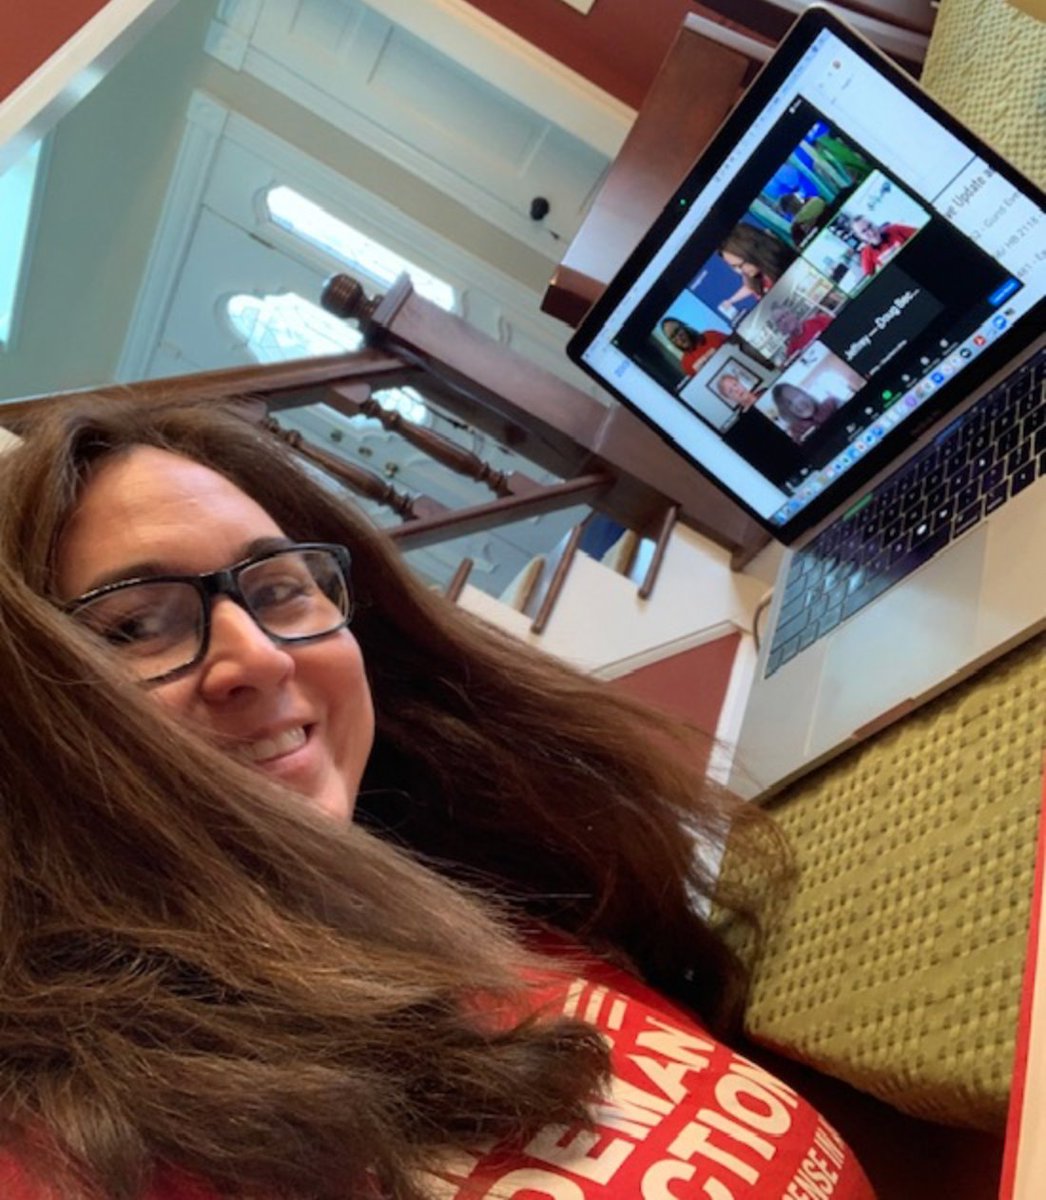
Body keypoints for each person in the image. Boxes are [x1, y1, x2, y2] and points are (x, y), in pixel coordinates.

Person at [0, 397, 877, 1200]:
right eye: (135, 626)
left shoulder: (493, 877)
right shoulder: (83, 1149)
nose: (261, 657)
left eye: (276, 589)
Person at [716, 224, 794, 316]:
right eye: (733, 267)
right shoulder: (755, 279)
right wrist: (730, 301)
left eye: (740, 266)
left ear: (752, 252)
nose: (739, 272)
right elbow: (749, 287)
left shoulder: (788, 267)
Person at [845, 214, 917, 276]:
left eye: (870, 226)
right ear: (860, 237)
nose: (871, 232)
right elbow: (871, 279)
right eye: (864, 231)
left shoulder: (895, 229)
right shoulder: (866, 254)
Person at [770, 381, 840, 442]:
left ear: (804, 393)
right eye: (789, 403)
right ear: (787, 412)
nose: (798, 403)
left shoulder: (833, 403)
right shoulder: (798, 436)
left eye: (797, 395)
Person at [660, 318, 727, 375]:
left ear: (684, 327)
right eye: (673, 336)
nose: (678, 337)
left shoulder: (710, 336)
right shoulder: (686, 364)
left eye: (677, 331)